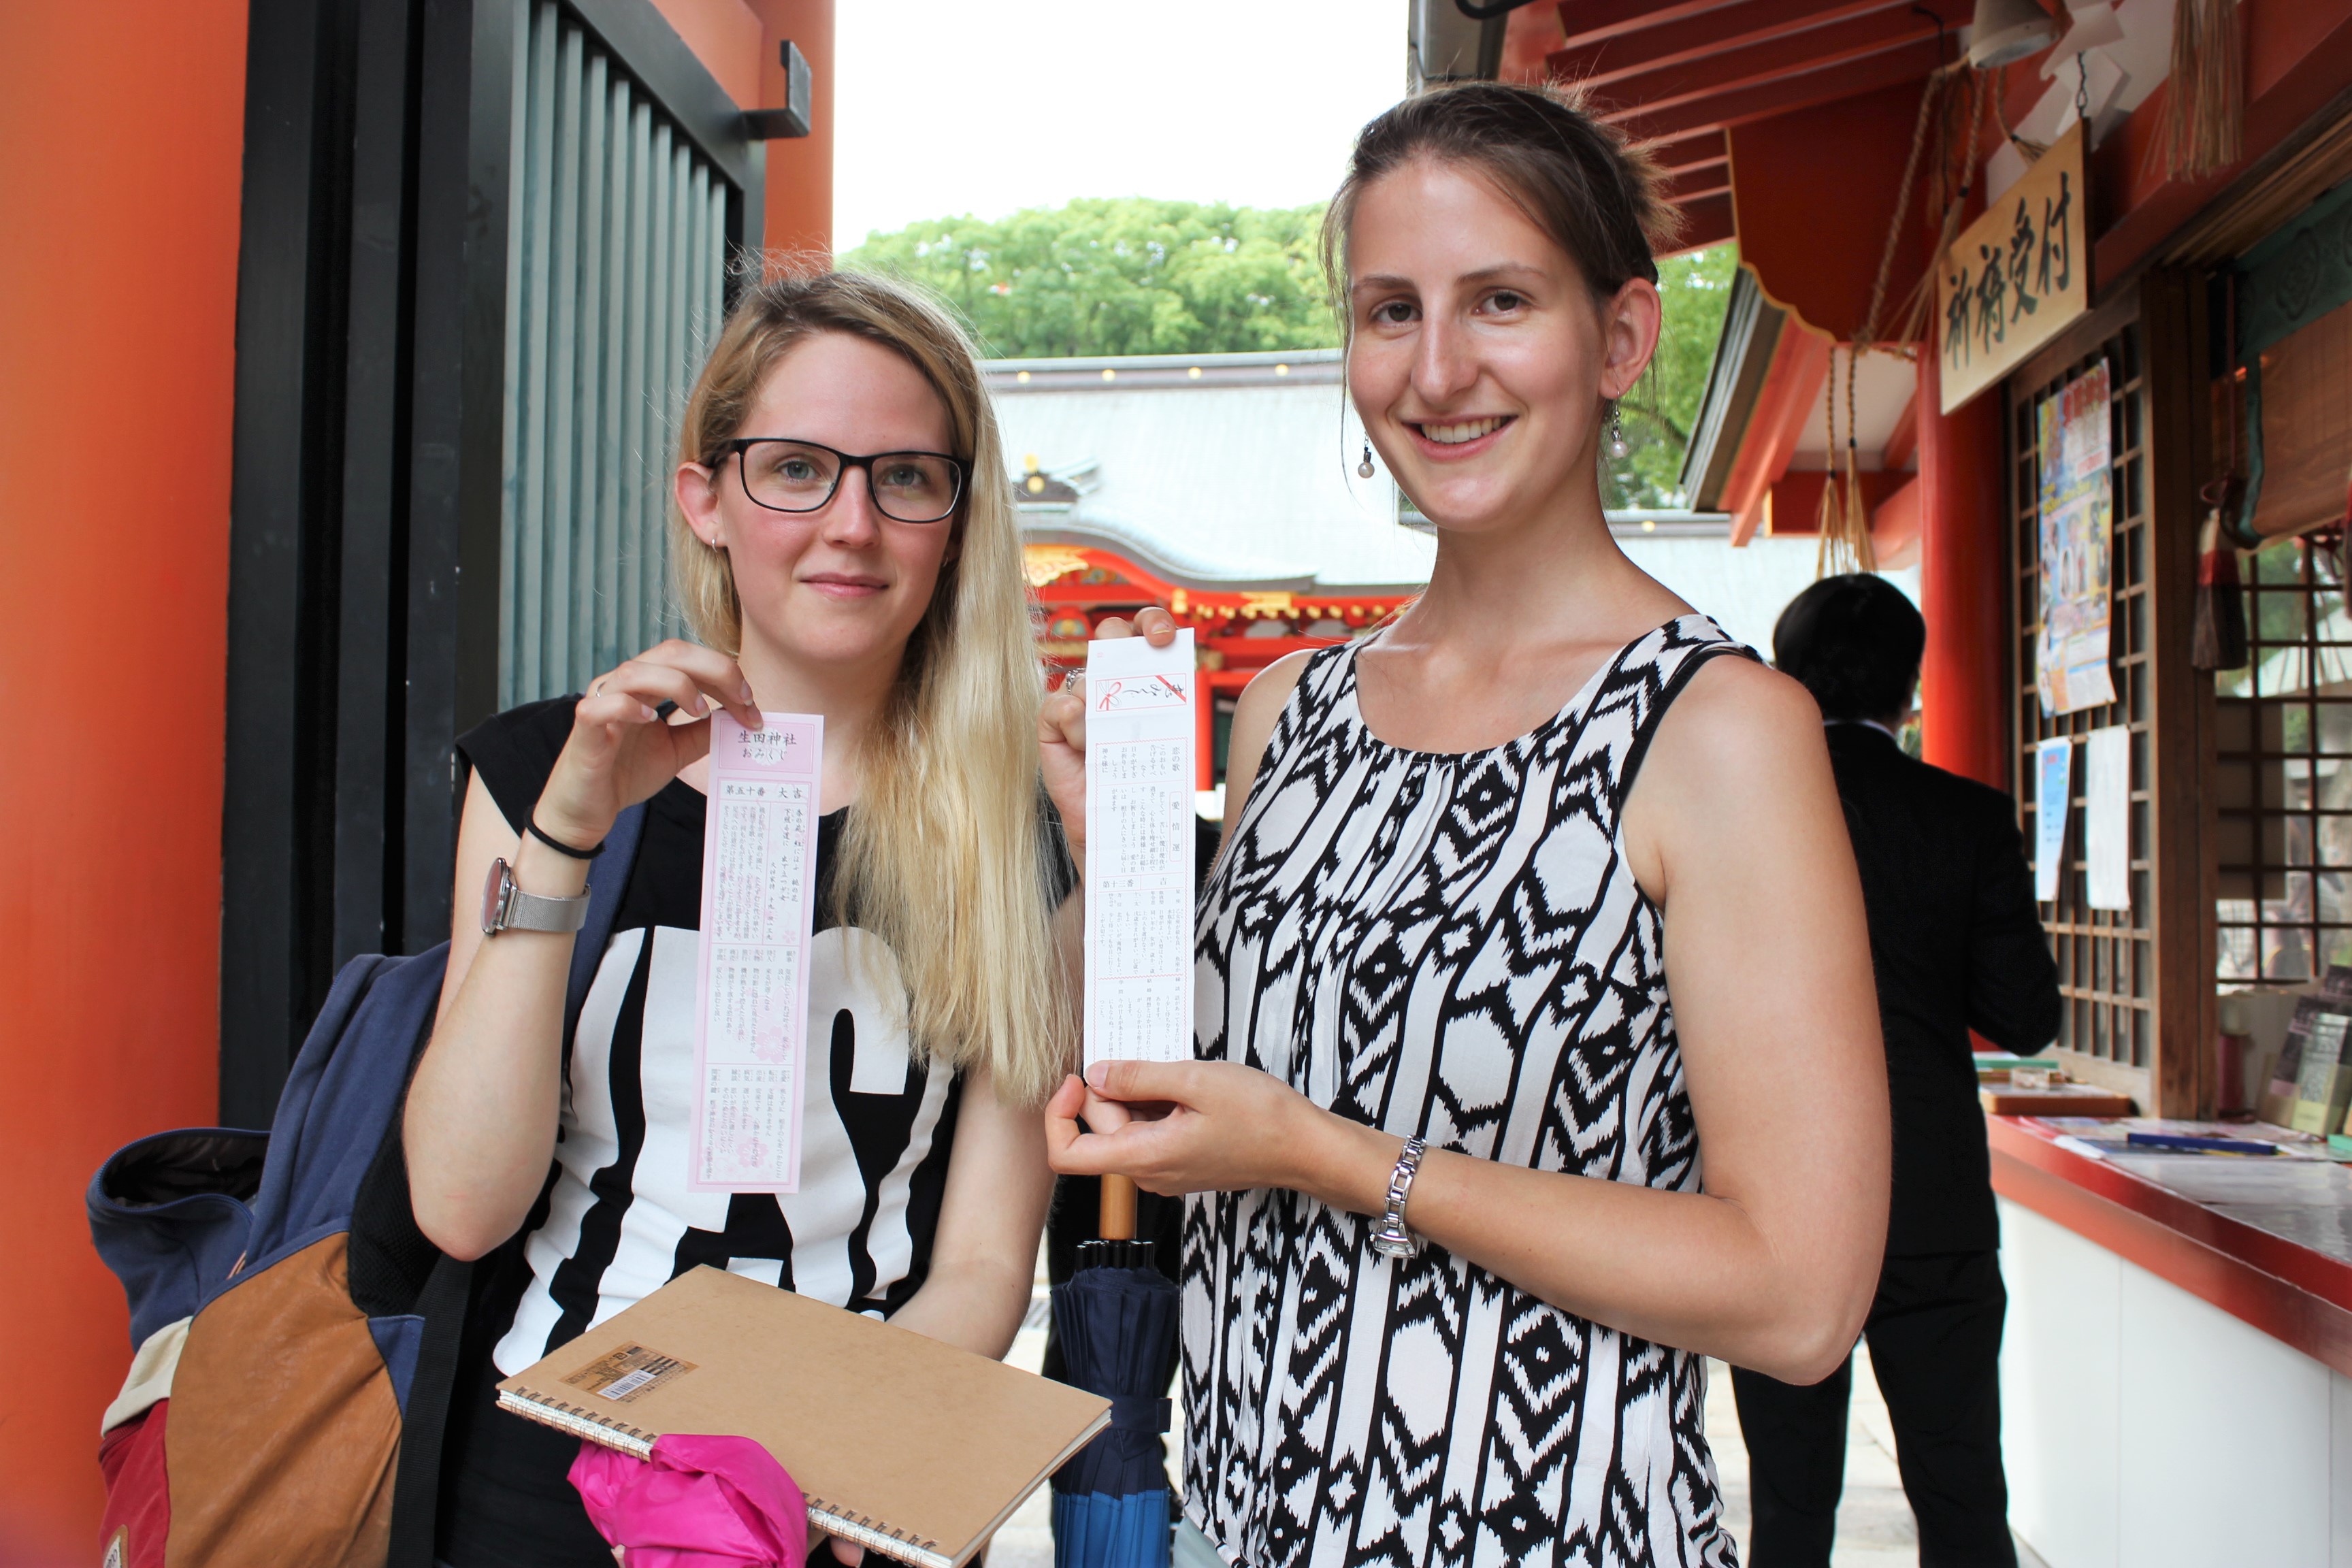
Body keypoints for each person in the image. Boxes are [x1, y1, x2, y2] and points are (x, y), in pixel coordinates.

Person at [1039, 82, 1891, 1568]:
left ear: (1622, 336)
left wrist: (1329, 1154)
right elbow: (1177, 1089)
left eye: (1500, 301)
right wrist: (1107, 880)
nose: (1437, 372)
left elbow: (1801, 1297)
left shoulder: (1714, 733)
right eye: (1388, 311)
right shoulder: (1289, 709)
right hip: (1243, 1528)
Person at [404, 270, 1071, 1566]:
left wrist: (839, 1477)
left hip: (847, 1498)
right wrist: (569, 834)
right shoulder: (552, 767)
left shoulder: (1015, 823)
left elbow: (987, 1259)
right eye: (797, 469)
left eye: (906, 477)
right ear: (704, 499)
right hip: (548, 1470)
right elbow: (464, 1206)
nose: (853, 524)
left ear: (958, 515)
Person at [1731, 574, 2060, 1568]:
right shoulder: (1966, 818)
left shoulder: (1734, 816)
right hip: (1932, 1196)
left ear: (1788, 682)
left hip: (1773, 1194)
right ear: (1909, 691)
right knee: (1961, 1495)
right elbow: (2027, 1019)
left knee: (1788, 1510)